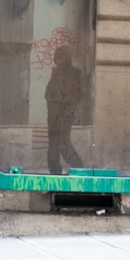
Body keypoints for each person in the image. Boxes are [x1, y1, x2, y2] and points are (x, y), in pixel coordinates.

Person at [44, 45, 85, 174]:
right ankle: (55, 173)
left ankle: (79, 168)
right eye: (57, 57)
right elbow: (49, 92)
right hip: (54, 113)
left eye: (61, 57)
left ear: (67, 58)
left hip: (66, 113)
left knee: (63, 143)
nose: (58, 60)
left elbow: (80, 94)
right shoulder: (55, 72)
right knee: (53, 144)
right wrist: (51, 104)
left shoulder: (75, 73)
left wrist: (67, 105)